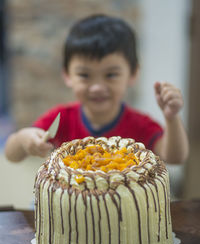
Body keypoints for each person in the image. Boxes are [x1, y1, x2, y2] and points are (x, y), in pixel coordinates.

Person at [5, 14, 189, 164]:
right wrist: (23, 139)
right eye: (84, 75)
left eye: (111, 75)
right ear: (67, 75)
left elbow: (174, 157)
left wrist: (171, 118)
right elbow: (11, 155)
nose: (97, 87)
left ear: (133, 74)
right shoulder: (60, 119)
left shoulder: (140, 125)